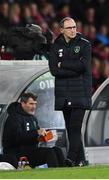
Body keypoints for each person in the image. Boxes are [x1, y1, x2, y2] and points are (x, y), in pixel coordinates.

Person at [49, 17, 92, 166]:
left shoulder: (84, 45)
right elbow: (54, 70)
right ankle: (81, 161)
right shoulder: (55, 46)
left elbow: (83, 66)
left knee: (75, 127)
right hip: (63, 93)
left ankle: (70, 159)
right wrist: (72, 67)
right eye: (69, 28)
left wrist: (63, 65)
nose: (73, 30)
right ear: (61, 30)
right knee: (70, 128)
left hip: (80, 93)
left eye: (74, 27)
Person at [2, 92, 65, 168]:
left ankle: (66, 174)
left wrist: (43, 137)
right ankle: (55, 175)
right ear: (23, 103)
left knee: (57, 150)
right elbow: (16, 137)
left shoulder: (33, 118)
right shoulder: (14, 118)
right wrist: (36, 132)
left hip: (31, 150)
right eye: (31, 104)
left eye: (35, 104)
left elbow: (33, 136)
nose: (34, 106)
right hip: (16, 152)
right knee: (49, 152)